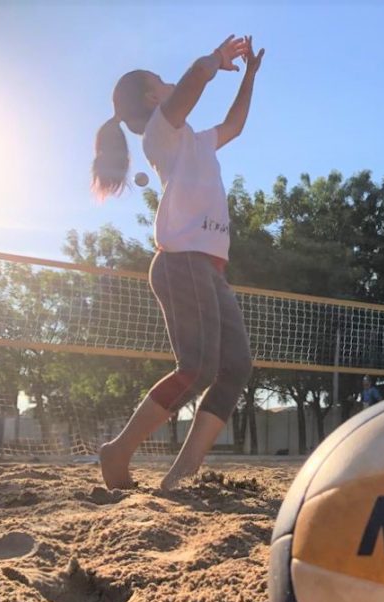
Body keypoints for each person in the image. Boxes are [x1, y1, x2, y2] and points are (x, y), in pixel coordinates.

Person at [91, 35, 264, 491]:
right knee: (197, 368)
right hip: (182, 262)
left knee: (236, 368)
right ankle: (118, 451)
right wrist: (215, 60)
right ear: (152, 97)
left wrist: (248, 78)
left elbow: (235, 125)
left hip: (209, 267)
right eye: (161, 82)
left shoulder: (194, 141)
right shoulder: (160, 132)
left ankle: (180, 476)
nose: (170, 84)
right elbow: (191, 82)